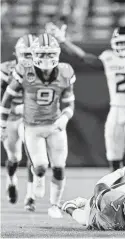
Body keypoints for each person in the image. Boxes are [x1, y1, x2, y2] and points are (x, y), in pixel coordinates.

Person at [46, 23, 125, 182]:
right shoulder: (108, 58)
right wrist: (63, 41)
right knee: (114, 159)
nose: (122, 46)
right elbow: (83, 57)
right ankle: (115, 196)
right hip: (115, 110)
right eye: (120, 42)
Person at [1, 33, 76, 218]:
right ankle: (16, 179)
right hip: (19, 119)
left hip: (49, 122)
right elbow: (6, 97)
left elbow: (69, 102)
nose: (45, 59)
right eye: (40, 54)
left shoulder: (65, 71)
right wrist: (2, 123)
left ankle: (39, 199)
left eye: (50, 54)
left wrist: (65, 117)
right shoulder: (15, 69)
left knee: (52, 164)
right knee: (17, 158)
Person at [62, 164, 125, 230]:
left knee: (85, 219)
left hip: (99, 211)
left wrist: (121, 172)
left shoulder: (109, 203)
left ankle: (69, 206)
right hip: (110, 207)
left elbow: (100, 186)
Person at [1, 34, 35, 208]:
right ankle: (11, 181)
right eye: (25, 54)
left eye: (31, 54)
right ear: (16, 53)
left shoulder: (42, 71)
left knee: (32, 155)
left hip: (30, 120)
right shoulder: (5, 69)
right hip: (11, 118)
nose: (28, 58)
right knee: (14, 157)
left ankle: (30, 196)